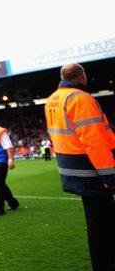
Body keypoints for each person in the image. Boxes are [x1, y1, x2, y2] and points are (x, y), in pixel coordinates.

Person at [44, 63, 115, 271]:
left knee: (100, 223)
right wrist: (110, 176)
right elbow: (94, 140)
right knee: (102, 228)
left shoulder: (52, 99)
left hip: (73, 170)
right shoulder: (80, 98)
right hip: (91, 171)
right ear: (82, 76)